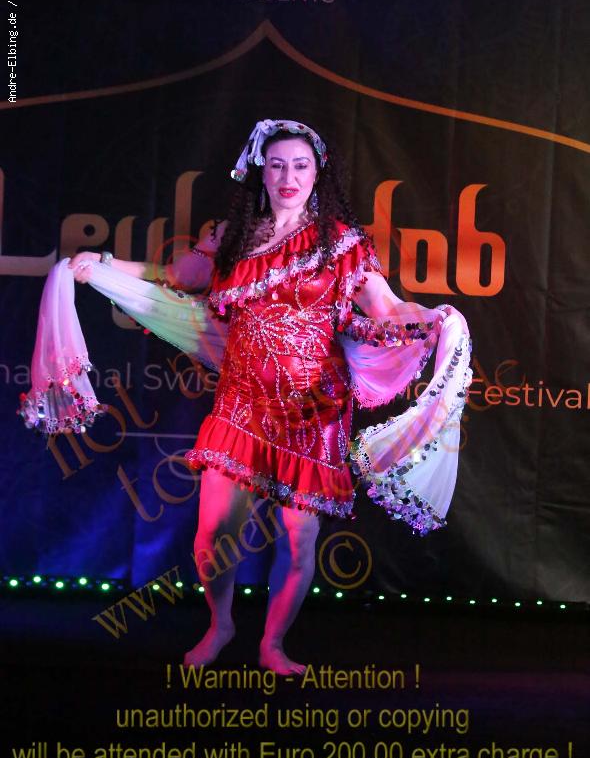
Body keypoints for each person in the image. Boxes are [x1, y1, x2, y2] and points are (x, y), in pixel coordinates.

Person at [53, 119, 472, 676]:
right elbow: (176, 274)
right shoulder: (235, 236)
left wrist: (433, 318)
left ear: (317, 173)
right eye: (276, 165)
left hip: (314, 410)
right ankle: (220, 624)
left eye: (300, 165)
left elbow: (389, 309)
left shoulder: (342, 243)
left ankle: (273, 645)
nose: (288, 176)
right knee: (213, 533)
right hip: (242, 401)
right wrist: (105, 265)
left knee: (299, 540)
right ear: (261, 172)